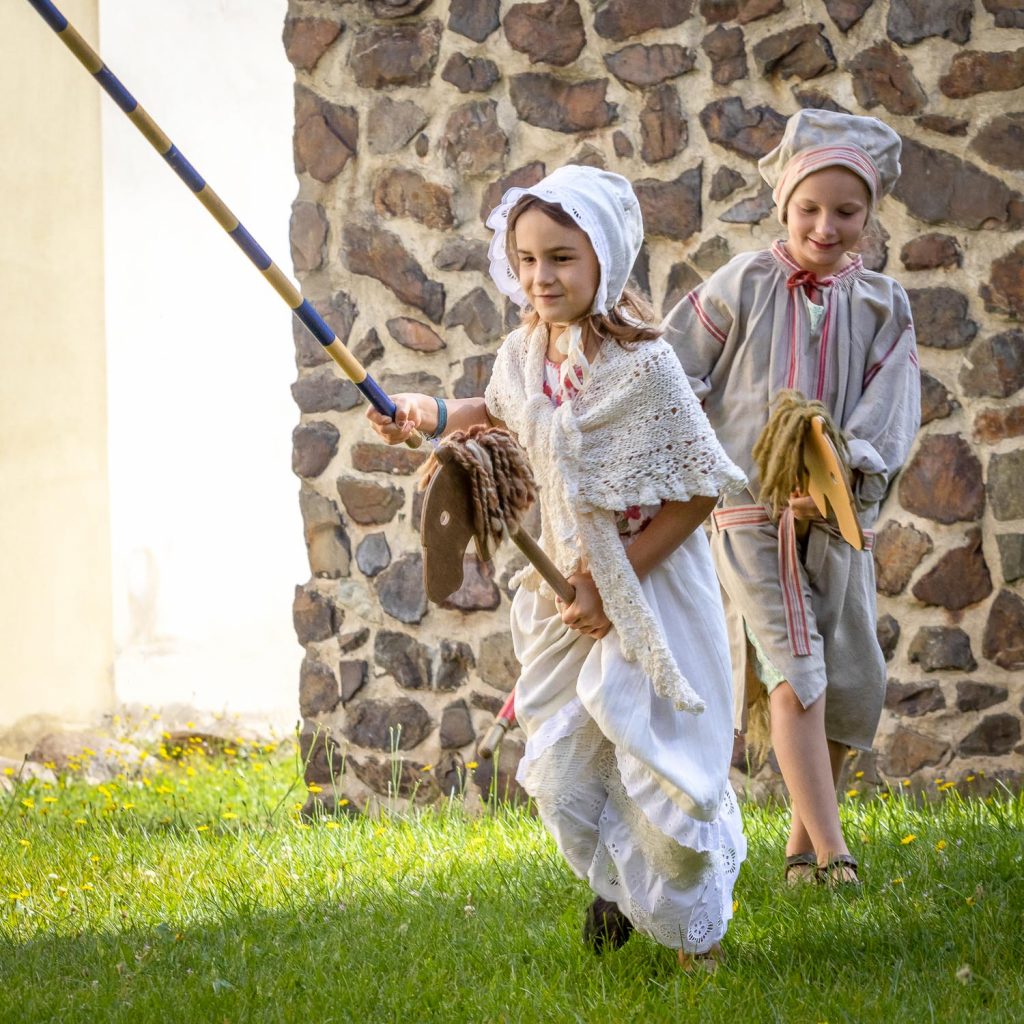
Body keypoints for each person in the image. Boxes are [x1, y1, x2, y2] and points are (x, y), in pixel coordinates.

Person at [367, 164, 747, 965]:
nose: (542, 277)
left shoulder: (645, 369)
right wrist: (427, 413)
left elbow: (700, 492)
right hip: (565, 589)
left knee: (657, 760)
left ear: (603, 257)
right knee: (569, 756)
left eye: (562, 258)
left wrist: (616, 584)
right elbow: (498, 413)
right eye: (528, 258)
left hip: (647, 586)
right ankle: (617, 887)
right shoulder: (525, 350)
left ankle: (694, 937)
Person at [662, 109, 921, 885]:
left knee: (854, 680)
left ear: (869, 215)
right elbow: (674, 374)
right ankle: (838, 854)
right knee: (796, 667)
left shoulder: (885, 304)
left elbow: (889, 408)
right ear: (785, 205)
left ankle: (800, 852)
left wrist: (844, 476)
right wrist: (704, 462)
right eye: (810, 208)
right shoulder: (742, 282)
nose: (827, 225)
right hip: (749, 515)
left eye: (847, 211)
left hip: (835, 518)